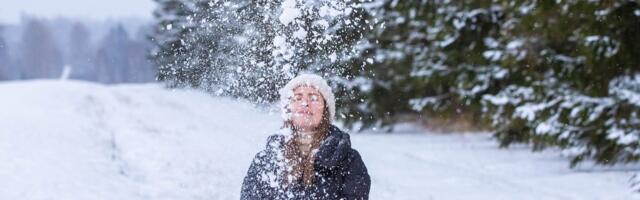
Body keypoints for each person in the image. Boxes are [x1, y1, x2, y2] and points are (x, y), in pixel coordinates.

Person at [240, 73, 371, 200]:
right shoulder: (266, 160)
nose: (305, 103)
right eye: (297, 98)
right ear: (288, 109)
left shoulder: (348, 160)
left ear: (326, 110)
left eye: (313, 98)